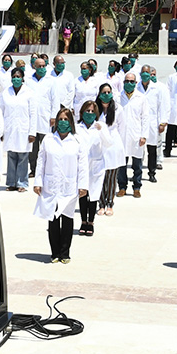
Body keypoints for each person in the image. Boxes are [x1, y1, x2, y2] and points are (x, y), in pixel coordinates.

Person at [33, 107, 88, 263]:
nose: (63, 122)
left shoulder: (77, 141)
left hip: (69, 185)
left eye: (66, 119)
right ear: (56, 122)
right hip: (51, 185)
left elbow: (83, 165)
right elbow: (41, 161)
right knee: (53, 218)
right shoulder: (48, 139)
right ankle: (54, 252)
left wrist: (83, 185)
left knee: (68, 218)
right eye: (60, 120)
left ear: (71, 122)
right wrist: (38, 182)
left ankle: (65, 253)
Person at [75, 100, 110, 236]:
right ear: (82, 112)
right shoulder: (77, 128)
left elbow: (108, 143)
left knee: (94, 194)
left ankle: (91, 222)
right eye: (87, 111)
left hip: (97, 165)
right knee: (83, 193)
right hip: (82, 166)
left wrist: (101, 131)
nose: (89, 114)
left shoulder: (100, 126)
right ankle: (83, 221)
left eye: (92, 111)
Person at [0, 68, 36, 191]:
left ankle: (22, 183)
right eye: (14, 76)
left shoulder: (29, 92)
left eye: (18, 76)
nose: (16, 79)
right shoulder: (6, 93)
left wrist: (32, 132)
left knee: (22, 157)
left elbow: (33, 114)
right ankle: (11, 183)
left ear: (23, 78)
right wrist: (1, 131)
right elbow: (1, 112)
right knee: (11, 155)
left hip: (24, 129)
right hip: (9, 129)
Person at [26, 57, 60, 177]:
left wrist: (54, 116)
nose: (41, 68)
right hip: (31, 118)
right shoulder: (28, 80)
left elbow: (56, 100)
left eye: (43, 66)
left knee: (46, 145)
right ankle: (34, 169)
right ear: (34, 67)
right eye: (39, 66)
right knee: (33, 146)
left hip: (46, 117)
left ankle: (46, 169)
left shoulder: (51, 81)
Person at [117, 72, 148, 198]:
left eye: (131, 81)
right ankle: (122, 187)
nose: (129, 84)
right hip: (121, 135)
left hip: (136, 134)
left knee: (137, 164)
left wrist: (144, 135)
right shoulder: (117, 97)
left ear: (136, 83)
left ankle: (136, 187)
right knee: (121, 164)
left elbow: (145, 117)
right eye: (126, 81)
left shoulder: (141, 98)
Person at [96, 84, 124, 216]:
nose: (106, 94)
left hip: (114, 146)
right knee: (100, 176)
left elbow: (122, 129)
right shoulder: (95, 109)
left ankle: (110, 203)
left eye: (108, 92)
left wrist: (120, 147)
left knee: (112, 177)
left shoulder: (118, 109)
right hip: (99, 146)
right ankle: (101, 204)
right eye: (104, 92)